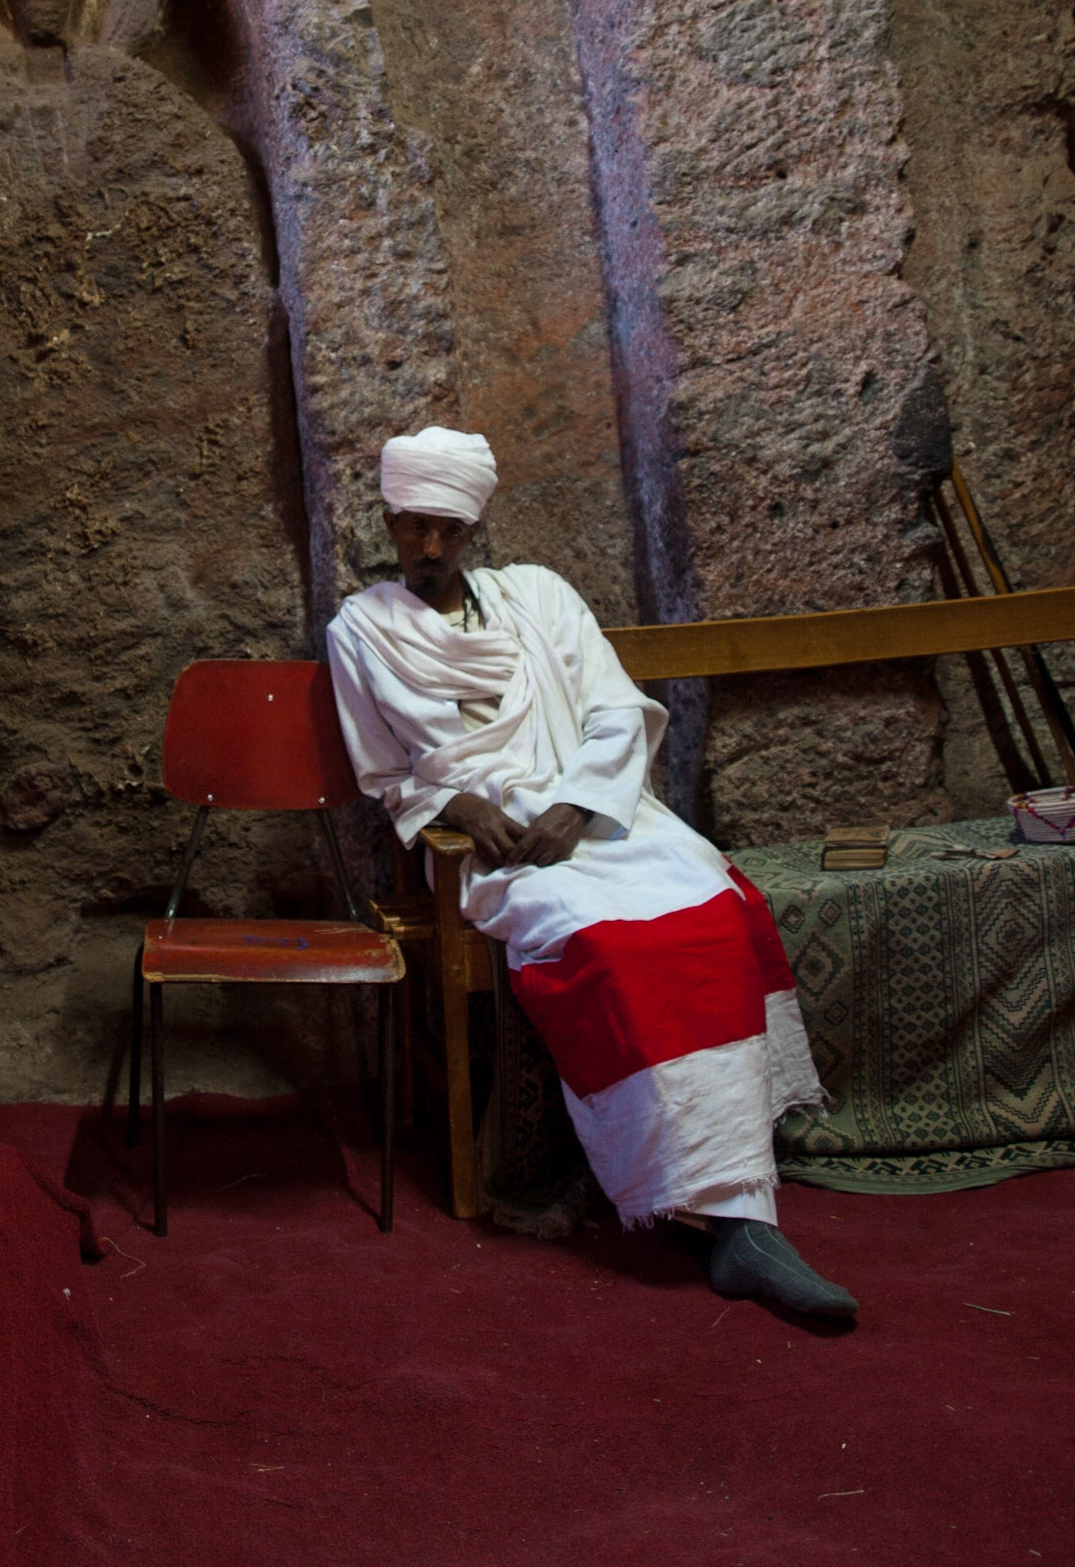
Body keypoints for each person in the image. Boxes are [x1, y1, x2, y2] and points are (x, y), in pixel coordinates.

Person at [326, 425, 858, 1319]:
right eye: (411, 526)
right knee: (602, 945)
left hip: (600, 819)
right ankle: (724, 1218)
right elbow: (385, 777)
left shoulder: (539, 597)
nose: (426, 547)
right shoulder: (361, 631)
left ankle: (738, 1214)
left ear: (472, 530)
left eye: (446, 530)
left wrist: (577, 806)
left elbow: (615, 712)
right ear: (388, 518)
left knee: (716, 912)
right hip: (497, 850)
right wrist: (462, 808)